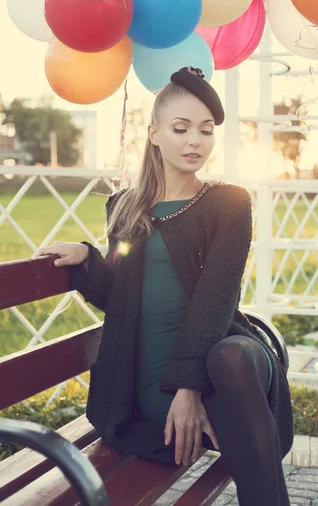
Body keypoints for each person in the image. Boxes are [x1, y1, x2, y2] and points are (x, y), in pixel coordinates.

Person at [34, 66, 293, 506]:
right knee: (226, 390)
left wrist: (187, 387)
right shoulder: (125, 206)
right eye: (181, 128)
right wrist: (86, 259)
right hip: (153, 391)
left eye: (206, 131)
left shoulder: (228, 203)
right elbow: (123, 296)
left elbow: (217, 297)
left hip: (224, 368)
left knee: (231, 356)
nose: (195, 141)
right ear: (153, 133)